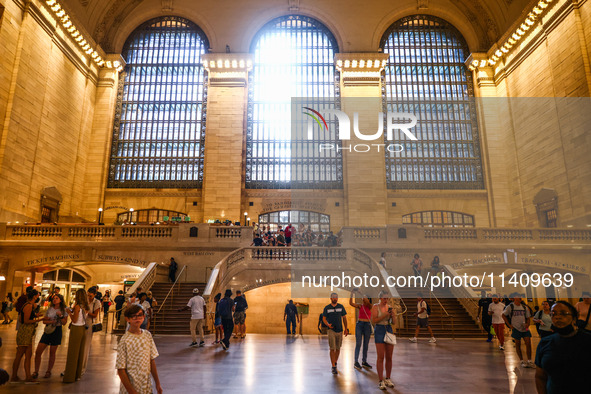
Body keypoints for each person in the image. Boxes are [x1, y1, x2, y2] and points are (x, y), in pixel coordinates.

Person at [535, 301, 591, 393]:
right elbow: (540, 376)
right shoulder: (545, 343)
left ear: (574, 318)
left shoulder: (587, 340)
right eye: (553, 314)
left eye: (563, 313)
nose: (557, 317)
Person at [116, 304, 163, 394]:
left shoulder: (147, 335)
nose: (137, 318)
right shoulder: (125, 340)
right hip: (131, 388)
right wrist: (132, 392)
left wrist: (157, 383)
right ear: (127, 319)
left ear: (144, 317)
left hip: (146, 386)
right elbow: (121, 370)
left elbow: (151, 360)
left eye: (140, 315)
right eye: (133, 316)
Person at [10, 289, 43, 384]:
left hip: (26, 332)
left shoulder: (27, 305)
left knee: (27, 355)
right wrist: (39, 319)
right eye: (37, 296)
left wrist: (35, 316)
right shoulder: (28, 306)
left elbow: (21, 318)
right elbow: (25, 320)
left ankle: (25, 376)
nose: (38, 298)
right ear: (34, 297)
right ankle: (16, 376)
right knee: (20, 354)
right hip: (25, 333)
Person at [34, 293, 68, 379]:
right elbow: (44, 321)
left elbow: (64, 323)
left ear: (60, 300)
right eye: (54, 298)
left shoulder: (64, 310)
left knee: (52, 352)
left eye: (56, 298)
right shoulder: (50, 309)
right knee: (38, 351)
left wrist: (60, 316)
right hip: (48, 330)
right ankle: (36, 371)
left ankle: (48, 371)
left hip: (57, 331)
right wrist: (51, 322)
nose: (54, 299)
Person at [63, 288, 89, 383]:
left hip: (76, 328)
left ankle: (70, 376)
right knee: (80, 352)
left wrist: (69, 312)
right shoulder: (86, 306)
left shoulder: (78, 306)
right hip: (83, 328)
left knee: (73, 352)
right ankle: (77, 374)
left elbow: (74, 320)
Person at [371, 290, 396, 390]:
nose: (386, 300)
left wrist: (393, 315)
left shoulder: (389, 307)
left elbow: (393, 322)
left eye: (387, 298)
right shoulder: (375, 306)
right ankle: (381, 380)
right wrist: (385, 315)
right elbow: (374, 320)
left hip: (389, 329)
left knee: (389, 356)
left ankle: (388, 378)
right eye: (384, 298)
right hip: (380, 330)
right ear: (380, 298)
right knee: (380, 356)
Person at [502, 294, 534, 368]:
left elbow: (528, 317)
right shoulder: (510, 307)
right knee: (518, 343)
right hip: (516, 328)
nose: (519, 298)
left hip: (524, 328)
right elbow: (503, 315)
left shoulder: (524, 307)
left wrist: (528, 324)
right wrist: (509, 325)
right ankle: (521, 360)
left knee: (528, 343)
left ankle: (529, 360)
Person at [322, 292, 349, 375]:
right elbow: (324, 318)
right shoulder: (327, 308)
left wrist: (346, 329)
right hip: (331, 330)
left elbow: (344, 318)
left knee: (338, 348)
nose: (335, 298)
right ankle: (333, 366)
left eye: (336, 297)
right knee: (332, 348)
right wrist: (328, 324)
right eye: (333, 297)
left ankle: (335, 362)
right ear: (331, 298)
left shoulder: (341, 307)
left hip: (340, 330)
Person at [349, 289, 373, 371]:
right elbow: (351, 303)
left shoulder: (370, 306)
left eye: (365, 298)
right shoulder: (360, 306)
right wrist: (351, 294)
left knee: (366, 344)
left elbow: (366, 301)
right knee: (358, 343)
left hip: (367, 325)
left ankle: (364, 361)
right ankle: (356, 361)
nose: (363, 299)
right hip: (359, 325)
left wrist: (361, 293)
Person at [82, 286, 102, 375]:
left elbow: (95, 315)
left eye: (90, 296)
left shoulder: (96, 302)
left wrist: (86, 312)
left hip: (89, 323)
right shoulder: (84, 301)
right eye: (87, 295)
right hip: (81, 322)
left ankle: (83, 366)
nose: (88, 297)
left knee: (86, 345)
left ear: (94, 295)